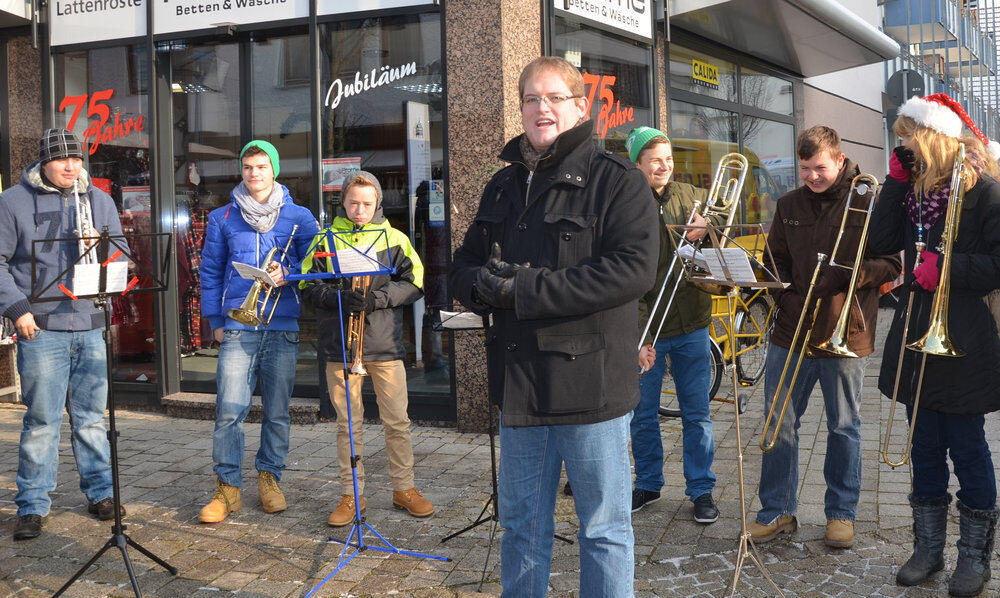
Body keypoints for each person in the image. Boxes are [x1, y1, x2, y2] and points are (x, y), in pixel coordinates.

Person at [449, 56, 658, 598]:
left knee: (604, 530)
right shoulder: (501, 186)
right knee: (520, 530)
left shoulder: (617, 182)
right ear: (519, 109)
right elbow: (461, 265)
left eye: (553, 98)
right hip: (520, 388)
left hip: (589, 391)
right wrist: (482, 286)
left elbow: (631, 271)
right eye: (530, 99)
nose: (541, 108)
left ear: (579, 106)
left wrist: (521, 290)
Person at [868, 93, 1000, 597]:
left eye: (908, 139)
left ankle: (973, 557)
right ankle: (927, 549)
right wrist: (894, 183)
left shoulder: (984, 192)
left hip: (964, 337)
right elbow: (881, 239)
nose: (904, 148)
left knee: (967, 449)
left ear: (933, 139)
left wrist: (950, 270)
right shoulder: (913, 193)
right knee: (923, 447)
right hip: (917, 332)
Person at [749, 126, 901, 548]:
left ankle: (841, 515)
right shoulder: (788, 204)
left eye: (820, 168)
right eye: (804, 169)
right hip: (792, 331)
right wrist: (781, 294)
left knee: (844, 427)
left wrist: (851, 275)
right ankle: (776, 511)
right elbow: (774, 261)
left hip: (844, 333)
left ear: (839, 159)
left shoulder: (868, 200)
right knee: (779, 425)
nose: (812, 176)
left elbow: (891, 263)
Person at [0, 128, 126, 541]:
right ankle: (32, 505)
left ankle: (101, 492)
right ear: (43, 162)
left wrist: (103, 249)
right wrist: (17, 309)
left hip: (89, 323)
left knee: (91, 419)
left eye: (77, 159)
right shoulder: (13, 202)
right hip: (41, 328)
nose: (72, 167)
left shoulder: (99, 200)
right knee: (42, 421)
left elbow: (121, 254)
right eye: (61, 160)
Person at [300, 170, 434, 526]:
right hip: (340, 347)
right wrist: (335, 297)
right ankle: (351, 494)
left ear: (377, 203)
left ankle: (404, 488)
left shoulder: (395, 238)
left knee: (398, 421)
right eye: (353, 202)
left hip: (384, 344)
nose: (360, 209)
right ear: (343, 201)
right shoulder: (324, 239)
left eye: (367, 203)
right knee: (348, 424)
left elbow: (416, 281)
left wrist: (378, 298)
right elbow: (307, 286)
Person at [198, 140, 318, 523]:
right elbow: (211, 272)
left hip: (281, 323)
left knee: (278, 411)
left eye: (262, 166)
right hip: (237, 324)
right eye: (248, 167)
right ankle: (227, 488)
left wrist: (292, 273)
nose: (254, 173)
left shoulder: (299, 216)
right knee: (229, 411)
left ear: (275, 170)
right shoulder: (223, 217)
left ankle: (269, 478)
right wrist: (215, 322)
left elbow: (317, 263)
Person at [624, 126, 719, 521]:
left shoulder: (692, 198)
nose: (665, 167)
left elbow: (714, 252)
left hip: (692, 321)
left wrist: (708, 229)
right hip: (648, 326)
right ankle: (648, 483)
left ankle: (701, 490)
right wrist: (639, 335)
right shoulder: (626, 203)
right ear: (638, 164)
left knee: (697, 413)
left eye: (669, 160)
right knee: (642, 413)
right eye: (655, 161)